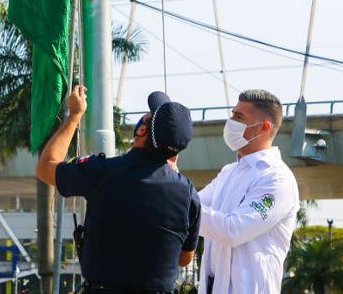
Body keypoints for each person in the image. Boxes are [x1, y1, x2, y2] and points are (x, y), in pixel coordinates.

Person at [36, 86, 201, 294]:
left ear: (141, 130)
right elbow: (184, 258)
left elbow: (45, 167)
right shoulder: (188, 194)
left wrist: (74, 116)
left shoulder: (103, 171)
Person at [197, 89, 299, 294]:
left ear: (263, 127)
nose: (230, 121)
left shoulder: (277, 178)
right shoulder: (229, 172)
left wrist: (176, 199)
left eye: (239, 117)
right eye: (232, 114)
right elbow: (191, 205)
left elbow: (232, 230)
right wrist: (171, 184)